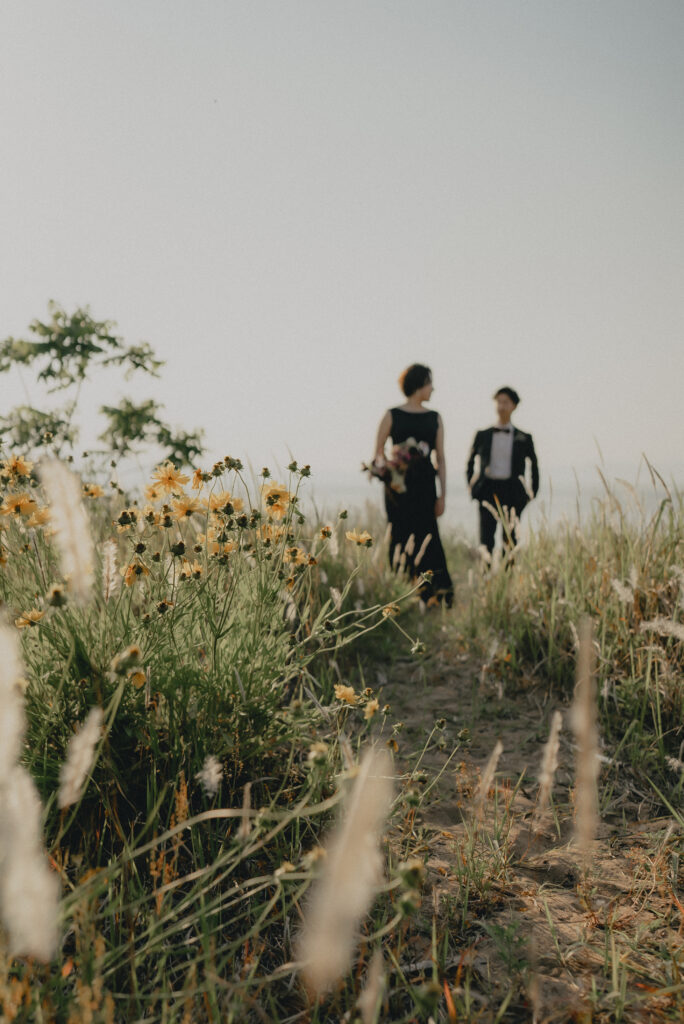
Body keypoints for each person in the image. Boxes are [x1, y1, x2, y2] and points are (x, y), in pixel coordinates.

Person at [372, 364, 453, 605]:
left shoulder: (434, 417)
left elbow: (440, 457)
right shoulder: (391, 415)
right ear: (419, 385)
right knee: (399, 535)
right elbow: (377, 454)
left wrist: (443, 496)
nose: (433, 388)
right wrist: (388, 467)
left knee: (429, 537)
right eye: (430, 383)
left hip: (426, 488)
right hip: (398, 489)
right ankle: (400, 593)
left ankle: (434, 595)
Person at [466, 387, 539, 560]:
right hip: (487, 490)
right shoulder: (482, 435)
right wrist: (472, 486)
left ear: (514, 406)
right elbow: (470, 462)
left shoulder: (524, 437)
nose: (501, 406)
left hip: (512, 491)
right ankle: (487, 578)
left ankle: (509, 578)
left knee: (511, 540)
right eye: (498, 402)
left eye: (505, 402)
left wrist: (532, 492)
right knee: (486, 540)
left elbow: (534, 465)